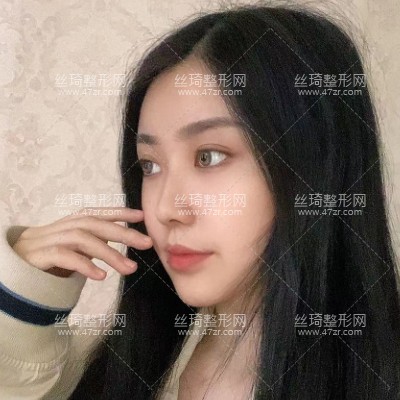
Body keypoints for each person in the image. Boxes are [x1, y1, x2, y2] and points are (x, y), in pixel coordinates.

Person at [1, 4, 400, 400]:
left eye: (208, 156)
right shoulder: (97, 370)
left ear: (313, 162)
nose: (165, 210)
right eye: (150, 165)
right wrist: (20, 308)